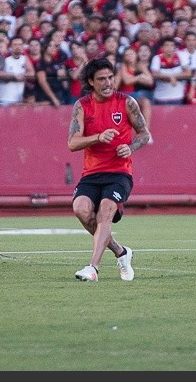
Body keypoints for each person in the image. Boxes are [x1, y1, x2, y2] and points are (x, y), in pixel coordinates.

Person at [67, 58, 151, 282]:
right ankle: (121, 252)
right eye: (101, 79)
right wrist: (98, 137)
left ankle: (93, 268)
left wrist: (130, 147)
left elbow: (144, 134)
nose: (107, 83)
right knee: (81, 210)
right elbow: (72, 143)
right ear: (91, 82)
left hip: (119, 172)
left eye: (110, 78)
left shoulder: (126, 102)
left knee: (105, 210)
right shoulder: (82, 106)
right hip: (92, 173)